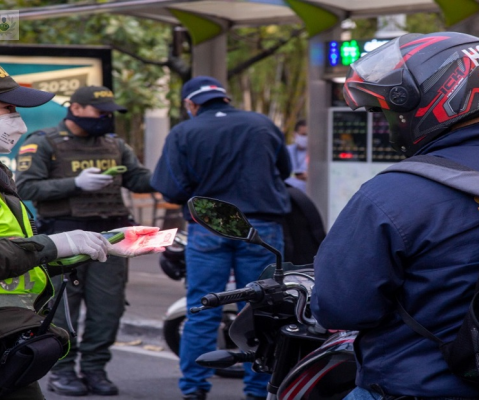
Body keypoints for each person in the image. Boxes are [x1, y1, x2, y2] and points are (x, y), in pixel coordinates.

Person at [309, 32, 479, 400]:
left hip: (418, 387)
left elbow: (339, 308)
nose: (388, 124)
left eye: (389, 112)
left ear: (440, 98)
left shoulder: (394, 195)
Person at [0, 60, 161, 400]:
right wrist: (71, 193)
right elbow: (33, 194)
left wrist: (96, 244)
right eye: (6, 107)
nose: (14, 118)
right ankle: (65, 372)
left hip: (8, 328)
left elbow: (140, 179)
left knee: (107, 311)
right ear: (76, 108)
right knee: (67, 314)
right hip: (59, 234)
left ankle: (95, 368)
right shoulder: (46, 142)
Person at [151, 75, 291, 400]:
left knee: (202, 307)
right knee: (262, 309)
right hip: (260, 228)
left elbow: (169, 187)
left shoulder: (183, 132)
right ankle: (260, 390)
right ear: (224, 98)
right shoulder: (261, 124)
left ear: (191, 104)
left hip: (209, 226)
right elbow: (282, 170)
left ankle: (194, 389)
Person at [285, 119, 308, 193]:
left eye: (308, 135)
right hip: (289, 193)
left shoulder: (317, 154)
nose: (306, 138)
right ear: (295, 135)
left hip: (308, 194)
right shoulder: (287, 151)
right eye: (303, 135)